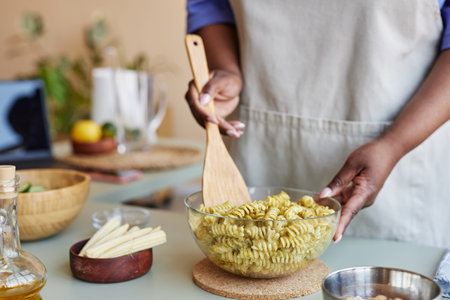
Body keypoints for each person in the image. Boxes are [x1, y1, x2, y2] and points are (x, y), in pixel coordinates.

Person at [185, 0, 450, 248]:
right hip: (258, 149)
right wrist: (226, 68)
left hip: (402, 154)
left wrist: (394, 144)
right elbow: (210, 4)